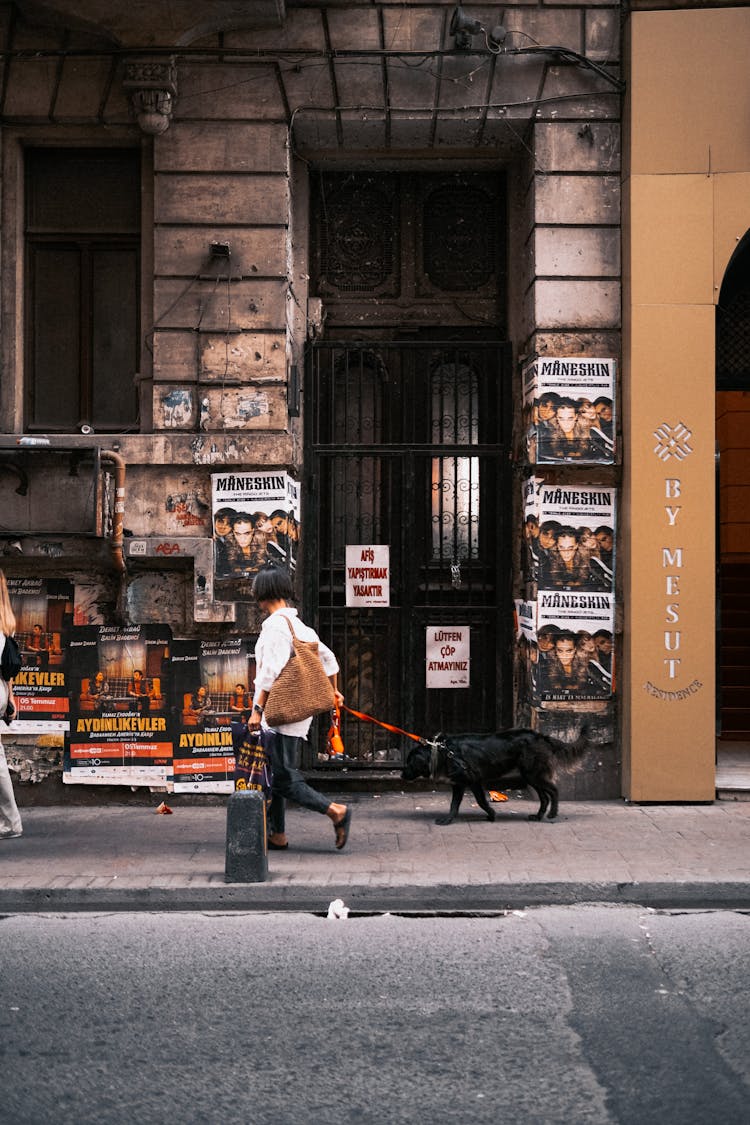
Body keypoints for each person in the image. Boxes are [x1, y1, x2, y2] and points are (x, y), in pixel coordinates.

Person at [248, 565, 351, 851]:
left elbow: (268, 673)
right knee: (277, 772)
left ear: (262, 594)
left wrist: (257, 711)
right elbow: (330, 661)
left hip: (279, 714)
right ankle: (278, 834)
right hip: (296, 715)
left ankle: (335, 811)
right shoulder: (300, 627)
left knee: (282, 777)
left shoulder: (275, 629)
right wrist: (333, 690)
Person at [0, 571, 23, 840]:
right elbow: (8, 671)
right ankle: (10, 821)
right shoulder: (7, 621)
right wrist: (11, 699)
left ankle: (11, 822)